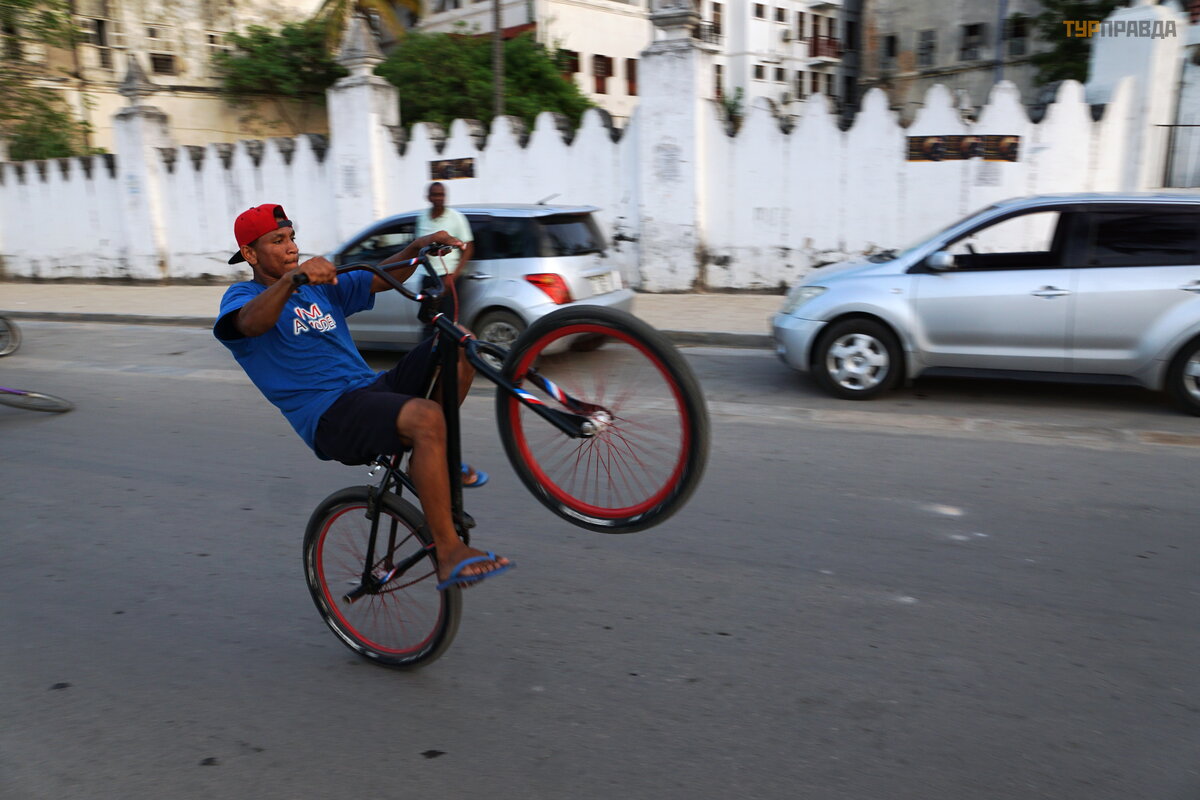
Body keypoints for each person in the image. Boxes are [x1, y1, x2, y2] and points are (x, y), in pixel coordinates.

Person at [213, 203, 512, 591]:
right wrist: (291, 281)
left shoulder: (317, 287)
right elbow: (250, 322)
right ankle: (448, 552)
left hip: (369, 389)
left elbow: (378, 277)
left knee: (457, 343)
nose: (292, 247)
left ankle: (430, 458)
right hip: (330, 416)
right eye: (278, 240)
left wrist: (416, 247)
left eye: (292, 238)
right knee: (425, 417)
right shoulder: (242, 296)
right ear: (250, 254)